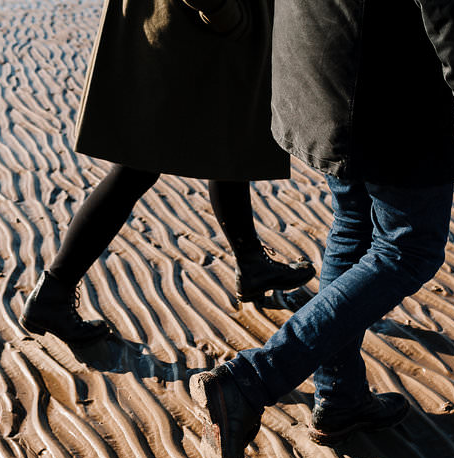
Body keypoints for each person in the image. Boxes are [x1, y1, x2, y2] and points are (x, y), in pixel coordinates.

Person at [190, 0, 454, 458]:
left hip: (321, 52)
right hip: (390, 79)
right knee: (408, 250)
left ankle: (340, 398)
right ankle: (252, 379)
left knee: (355, 225)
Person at [19, 0, 315, 345]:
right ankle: (53, 293)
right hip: (190, 30)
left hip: (195, 29)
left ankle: (252, 264)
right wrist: (222, 12)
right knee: (138, 166)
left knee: (230, 141)